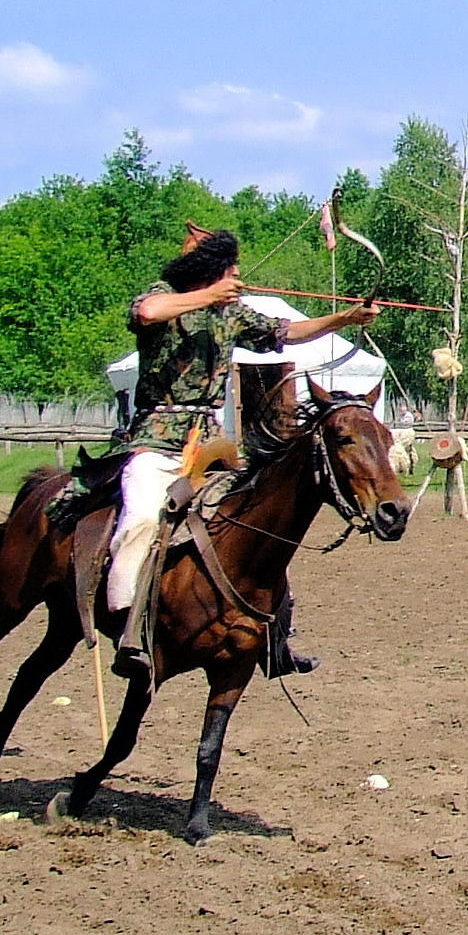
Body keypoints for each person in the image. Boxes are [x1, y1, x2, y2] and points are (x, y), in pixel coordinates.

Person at [108, 223, 379, 679]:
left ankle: (275, 637)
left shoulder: (231, 313)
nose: (236, 275)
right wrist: (209, 296)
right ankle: (128, 630)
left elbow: (286, 332)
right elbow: (151, 312)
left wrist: (343, 319)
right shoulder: (165, 296)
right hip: (156, 441)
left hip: (209, 445)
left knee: (257, 527)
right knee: (139, 523)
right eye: (228, 269)